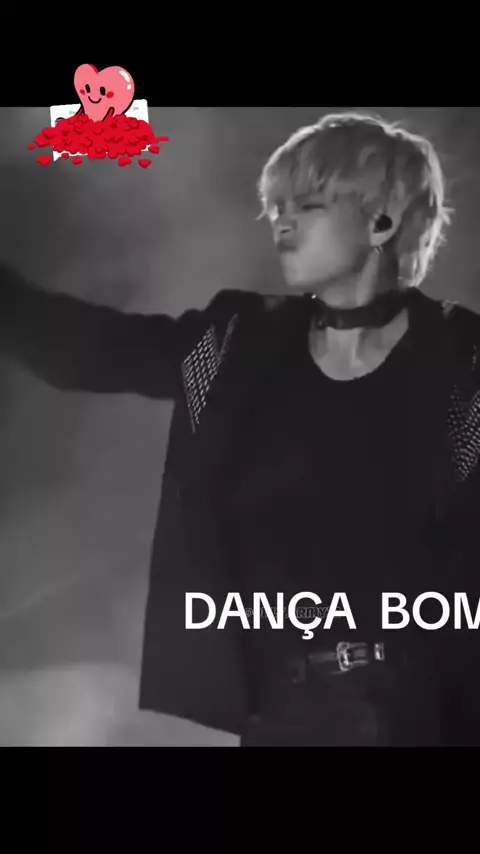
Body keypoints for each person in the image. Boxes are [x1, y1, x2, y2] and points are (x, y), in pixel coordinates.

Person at [1, 110, 480, 745]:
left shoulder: (464, 359)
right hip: (284, 718)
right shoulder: (239, 343)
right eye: (276, 206)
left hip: (424, 717)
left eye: (307, 205)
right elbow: (86, 351)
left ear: (382, 222)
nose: (281, 222)